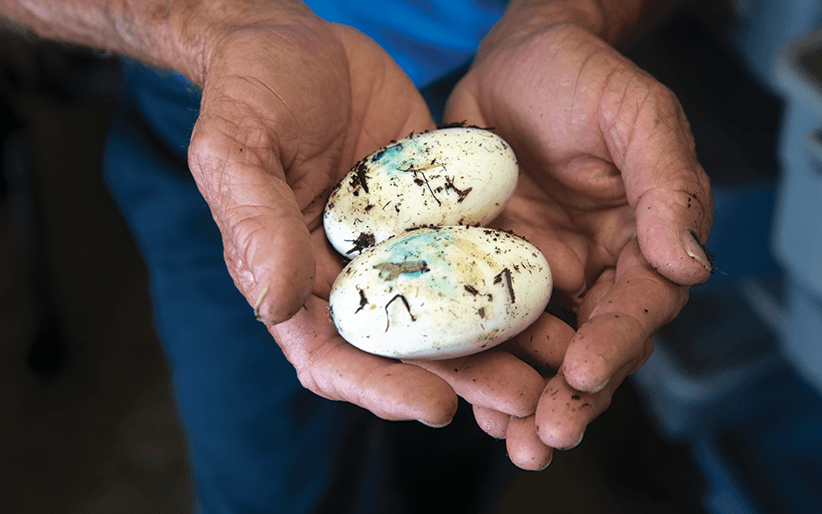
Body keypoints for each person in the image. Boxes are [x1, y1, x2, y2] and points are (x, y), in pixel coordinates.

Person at [2, 0, 714, 512]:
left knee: (474, 440)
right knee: (270, 475)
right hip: (231, 91)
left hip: (531, 107)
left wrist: (574, 14)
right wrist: (218, 24)